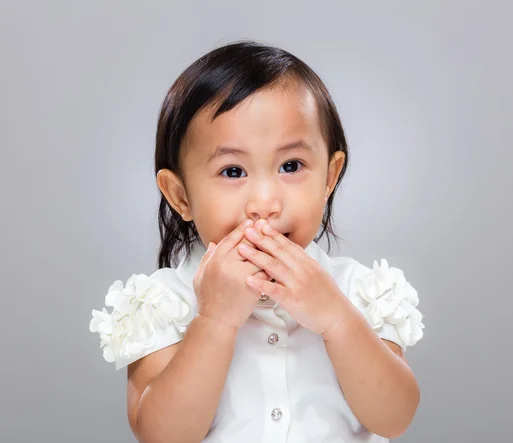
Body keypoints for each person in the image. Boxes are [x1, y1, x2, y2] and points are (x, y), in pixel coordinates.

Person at [89, 40, 424, 443]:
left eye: (290, 166)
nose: (265, 203)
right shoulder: (165, 302)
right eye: (232, 171)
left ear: (330, 178)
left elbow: (395, 418)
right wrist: (213, 322)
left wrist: (336, 318)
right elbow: (162, 435)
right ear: (180, 196)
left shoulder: (360, 293)